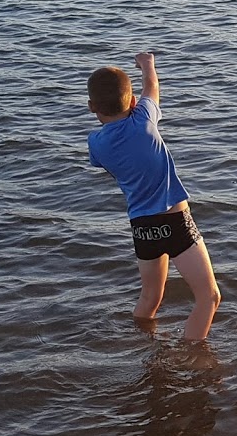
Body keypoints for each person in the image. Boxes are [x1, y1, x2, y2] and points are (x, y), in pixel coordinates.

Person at [87, 52, 221, 341]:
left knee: (150, 298)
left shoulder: (95, 144)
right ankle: (192, 356)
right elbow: (152, 88)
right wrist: (148, 64)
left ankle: (142, 347)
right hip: (175, 222)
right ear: (133, 103)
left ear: (91, 107)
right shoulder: (143, 120)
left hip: (143, 227)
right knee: (209, 298)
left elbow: (108, 162)